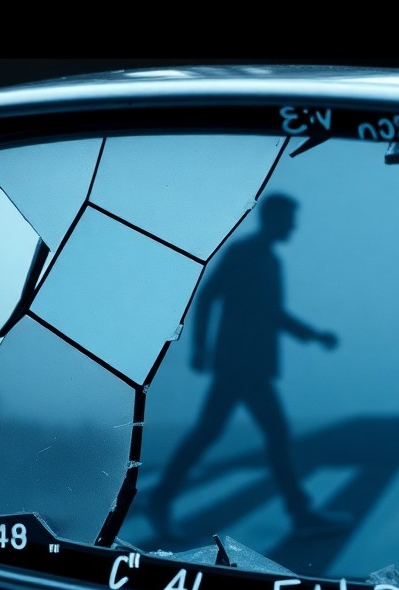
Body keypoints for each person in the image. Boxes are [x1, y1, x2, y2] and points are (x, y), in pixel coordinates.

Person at [148, 194, 350, 539]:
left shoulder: (271, 261)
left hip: (252, 364)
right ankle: (298, 510)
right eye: (289, 219)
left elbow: (272, 314)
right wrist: (199, 346)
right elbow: (208, 294)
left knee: (219, 432)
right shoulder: (243, 254)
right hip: (237, 364)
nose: (293, 226)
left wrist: (313, 335)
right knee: (261, 433)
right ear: (272, 218)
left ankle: (161, 499)